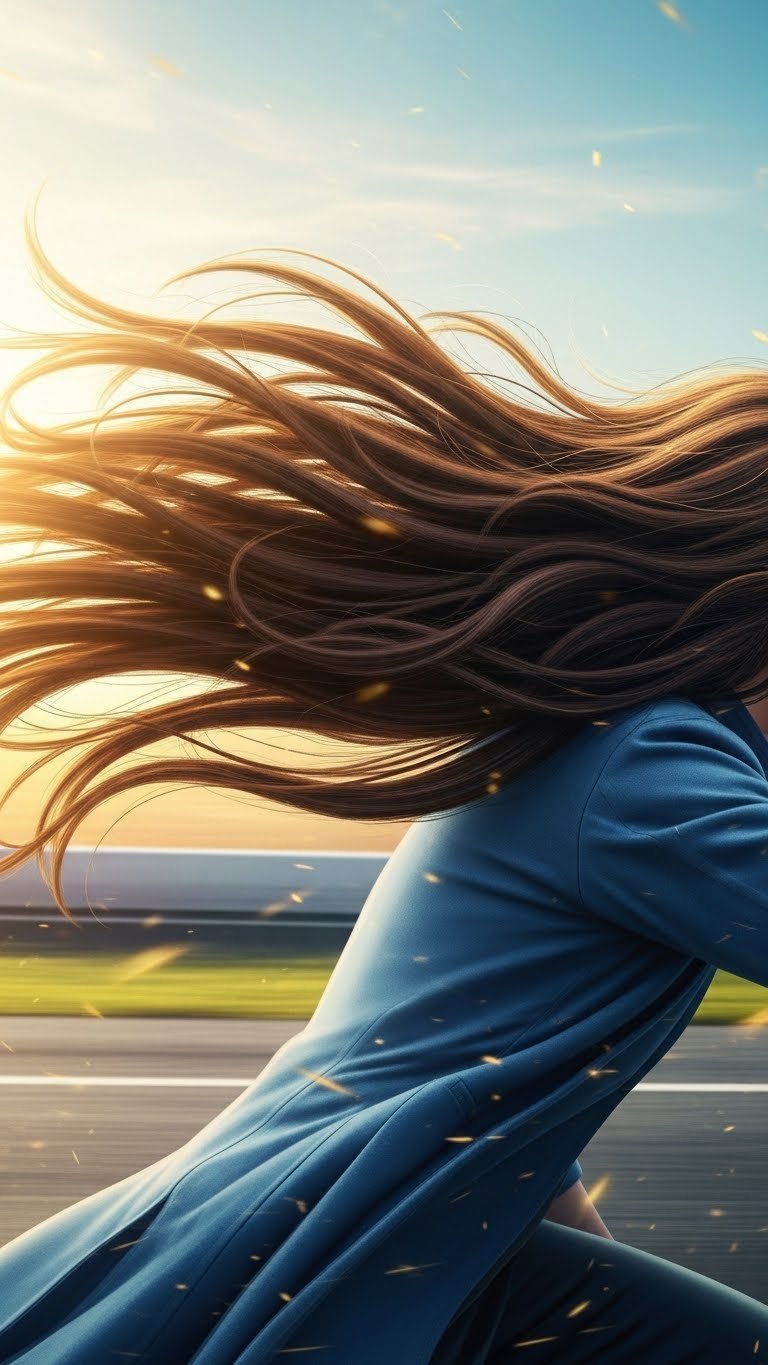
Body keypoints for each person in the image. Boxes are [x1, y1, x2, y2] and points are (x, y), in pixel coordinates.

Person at [0, 187, 767, 1362]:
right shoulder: (650, 768)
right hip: (317, 1241)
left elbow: (497, 1081)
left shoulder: (614, 748)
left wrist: (564, 1238)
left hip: (432, 1237)